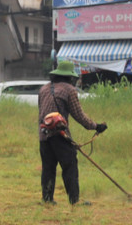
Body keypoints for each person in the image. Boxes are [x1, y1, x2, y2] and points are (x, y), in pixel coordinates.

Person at [38, 59, 106, 206]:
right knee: (70, 167)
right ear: (69, 77)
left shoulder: (43, 89)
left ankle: (47, 199)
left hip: (43, 135)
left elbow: (41, 113)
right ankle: (74, 201)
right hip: (60, 136)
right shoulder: (69, 90)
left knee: (48, 168)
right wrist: (96, 126)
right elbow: (79, 115)